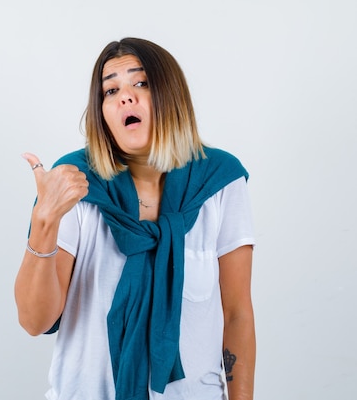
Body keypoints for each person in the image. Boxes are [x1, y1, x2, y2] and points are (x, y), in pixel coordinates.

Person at [14, 37, 255, 400]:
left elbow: (236, 312)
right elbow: (35, 321)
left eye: (140, 83)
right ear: (102, 111)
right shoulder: (74, 185)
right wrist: (45, 221)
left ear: (171, 94)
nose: (125, 96)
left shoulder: (220, 182)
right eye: (110, 90)